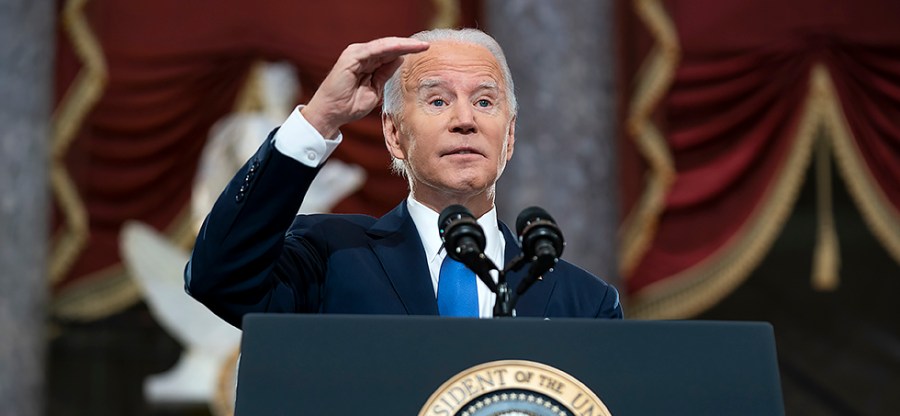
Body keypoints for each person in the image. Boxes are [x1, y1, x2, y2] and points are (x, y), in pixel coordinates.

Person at [185, 28, 623, 328]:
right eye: (437, 101)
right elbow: (219, 279)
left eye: (486, 102)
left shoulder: (584, 302)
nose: (465, 120)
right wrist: (319, 120)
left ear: (509, 136)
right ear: (394, 134)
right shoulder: (330, 257)